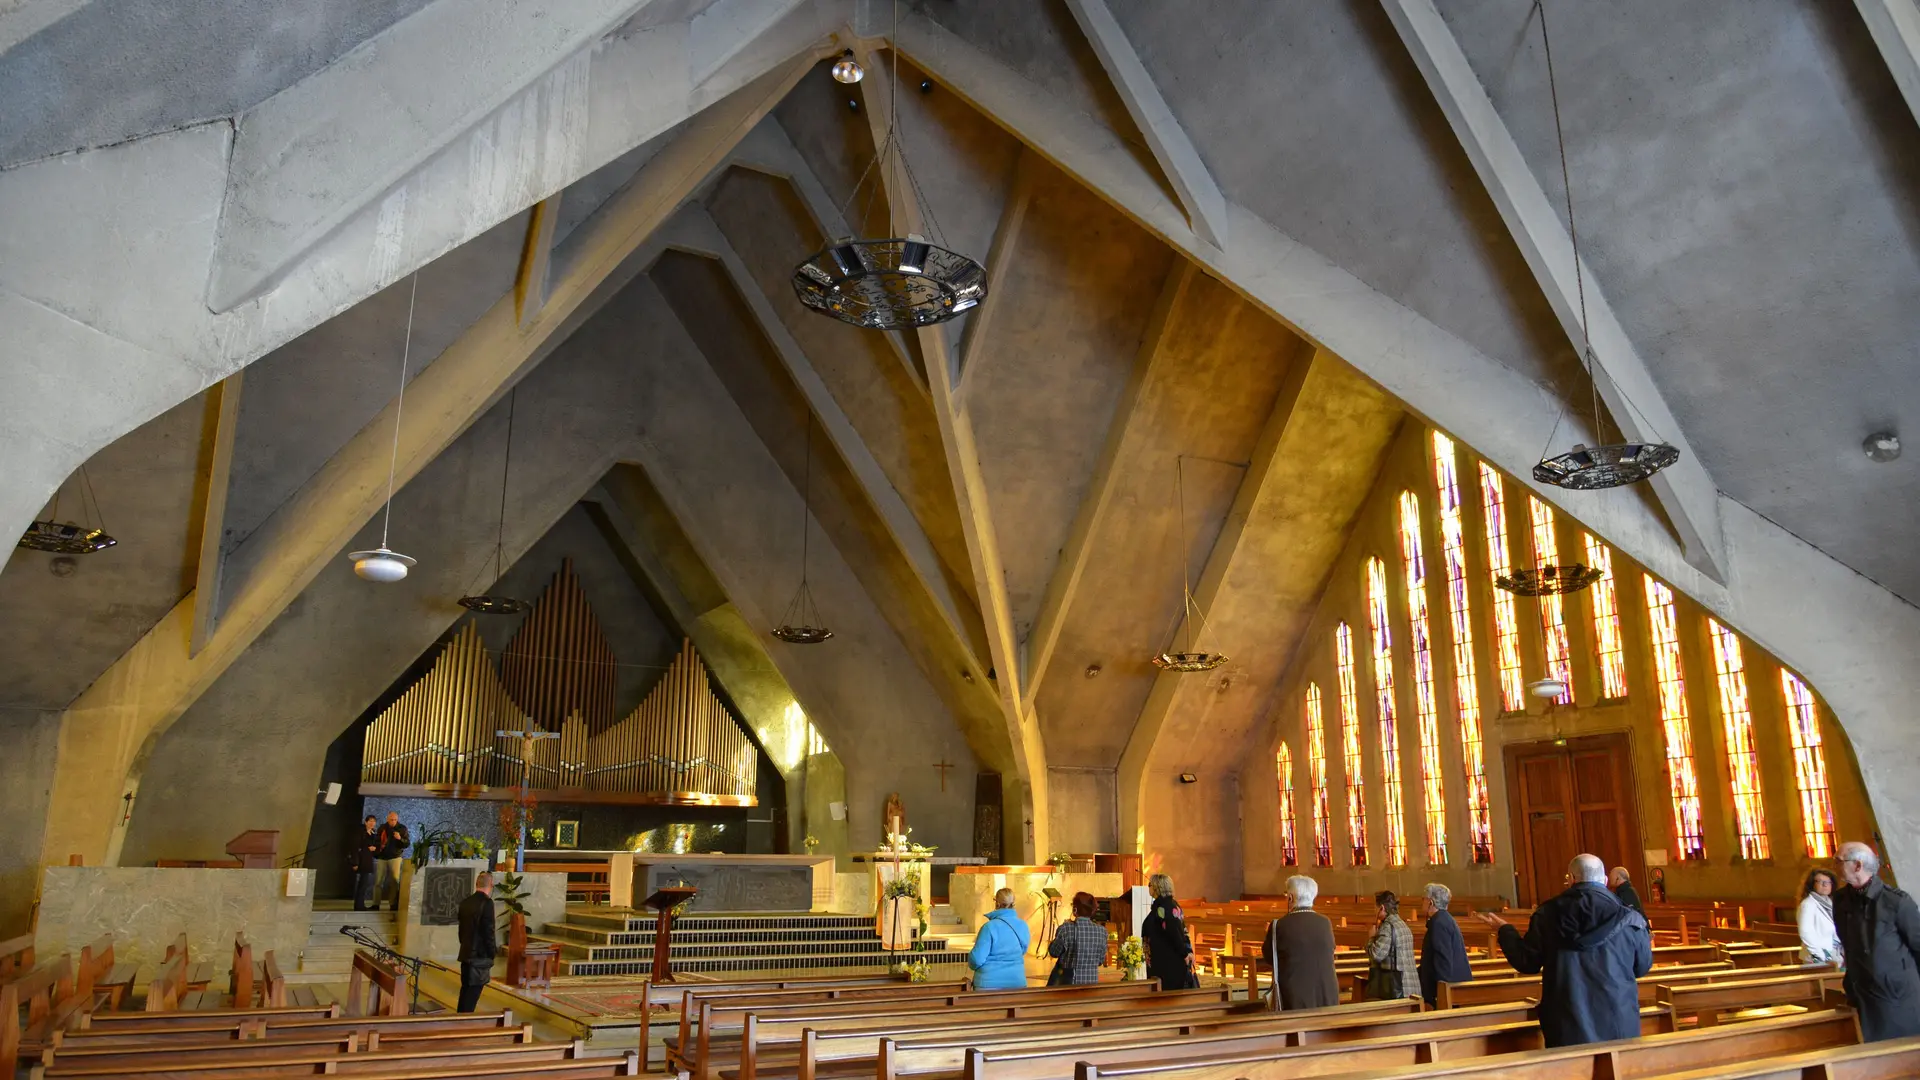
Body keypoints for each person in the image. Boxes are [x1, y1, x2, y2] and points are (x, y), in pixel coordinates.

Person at [1476, 853, 1651, 1047]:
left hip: (1567, 1020)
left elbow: (1527, 962)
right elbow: (1642, 967)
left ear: (1571, 878)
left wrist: (1505, 931)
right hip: (1618, 1018)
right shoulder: (1629, 917)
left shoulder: (1547, 913)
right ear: (1605, 880)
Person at [1832, 841, 1920, 1041]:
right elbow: (1847, 941)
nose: (1833, 866)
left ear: (1857, 865)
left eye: (1838, 861)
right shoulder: (1840, 900)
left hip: (1896, 997)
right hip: (1860, 992)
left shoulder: (1896, 901)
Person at [1263, 874, 1338, 1010]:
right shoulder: (1325, 922)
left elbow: (1269, 958)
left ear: (1290, 897)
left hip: (1295, 997)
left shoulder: (1279, 925)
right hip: (1325, 994)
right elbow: (1331, 949)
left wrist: (1269, 935)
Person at [1417, 882, 1473, 1006]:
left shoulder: (1439, 924)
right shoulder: (1444, 919)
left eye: (1423, 900)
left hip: (1447, 989)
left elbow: (1443, 959)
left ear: (1431, 902)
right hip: (1452, 985)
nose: (1422, 902)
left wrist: (1441, 993)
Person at [1142, 873, 1198, 990]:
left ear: (1157, 887)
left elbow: (1175, 933)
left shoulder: (1163, 908)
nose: (1148, 887)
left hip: (1166, 962)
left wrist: (1185, 953)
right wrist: (1188, 950)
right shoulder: (1171, 905)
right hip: (1164, 960)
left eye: (1150, 885)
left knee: (1165, 996)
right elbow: (1183, 931)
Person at [968, 888, 1031, 990]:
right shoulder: (1023, 925)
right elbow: (1023, 950)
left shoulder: (989, 927)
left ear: (997, 904)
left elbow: (977, 959)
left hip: (988, 984)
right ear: (1013, 904)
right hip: (1016, 982)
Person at [1364, 890, 1419, 1000]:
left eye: (1375, 907)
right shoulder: (1402, 924)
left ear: (1382, 908)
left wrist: (1371, 938)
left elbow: (1376, 954)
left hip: (1397, 987)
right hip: (1411, 985)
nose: (1374, 910)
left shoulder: (1388, 926)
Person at [455, 871, 497, 1013]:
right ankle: (464, 1026)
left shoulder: (465, 902)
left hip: (465, 954)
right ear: (491, 885)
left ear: (476, 884)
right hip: (478, 957)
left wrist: (465, 945)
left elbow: (461, 931)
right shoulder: (487, 903)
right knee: (472, 996)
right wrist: (492, 952)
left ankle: (458, 1022)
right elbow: (488, 931)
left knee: (465, 991)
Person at [1048, 892, 1107, 986]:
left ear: (1075, 909)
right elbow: (1100, 961)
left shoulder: (1066, 928)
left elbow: (1054, 952)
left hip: (1067, 987)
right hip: (1091, 985)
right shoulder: (1102, 931)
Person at [1797, 867, 1843, 966]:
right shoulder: (1808, 904)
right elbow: (1806, 932)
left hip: (1833, 953)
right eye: (1820, 881)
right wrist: (1821, 956)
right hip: (1817, 957)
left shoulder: (1830, 903)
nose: (1825, 885)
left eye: (1828, 882)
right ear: (1812, 884)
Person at [375, 813, 409, 912]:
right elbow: (376, 840)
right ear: (387, 819)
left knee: (394, 881)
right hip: (382, 857)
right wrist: (378, 847)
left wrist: (400, 839)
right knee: (378, 882)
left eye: (394, 819)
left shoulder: (402, 828)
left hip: (395, 857)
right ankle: (376, 904)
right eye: (391, 819)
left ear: (397, 819)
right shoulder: (382, 827)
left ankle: (393, 904)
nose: (393, 821)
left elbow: (407, 844)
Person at [349, 815, 379, 911]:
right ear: (366, 822)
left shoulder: (373, 833)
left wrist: (374, 849)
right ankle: (358, 905)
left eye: (373, 821)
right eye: (370, 821)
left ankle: (360, 904)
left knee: (364, 883)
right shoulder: (360, 832)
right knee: (362, 883)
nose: (372, 823)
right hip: (361, 860)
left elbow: (375, 846)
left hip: (368, 860)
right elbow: (355, 847)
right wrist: (355, 863)